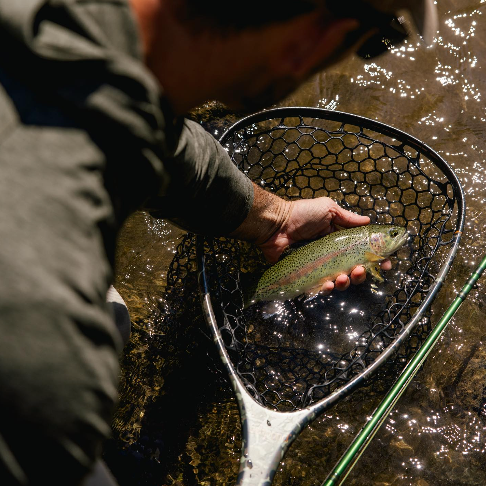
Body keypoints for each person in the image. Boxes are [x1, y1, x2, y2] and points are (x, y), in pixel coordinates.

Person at [0, 0, 437, 484]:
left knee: (114, 319)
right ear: (308, 42)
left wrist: (278, 219)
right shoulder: (43, 326)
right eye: (374, 42)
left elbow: (163, 146)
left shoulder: (55, 41)